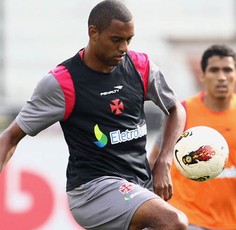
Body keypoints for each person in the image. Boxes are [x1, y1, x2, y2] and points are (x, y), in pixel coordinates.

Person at [0, 1, 189, 229]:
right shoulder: (62, 83)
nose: (124, 48)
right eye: (116, 40)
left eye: (129, 40)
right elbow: (10, 137)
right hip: (92, 190)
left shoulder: (140, 66)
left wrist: (164, 162)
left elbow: (175, 109)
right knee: (173, 221)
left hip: (138, 184)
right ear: (93, 33)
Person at [149, 44, 236, 230]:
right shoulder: (183, 112)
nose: (221, 77)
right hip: (187, 219)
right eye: (214, 70)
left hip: (232, 223)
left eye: (227, 70)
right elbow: (155, 159)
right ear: (203, 76)